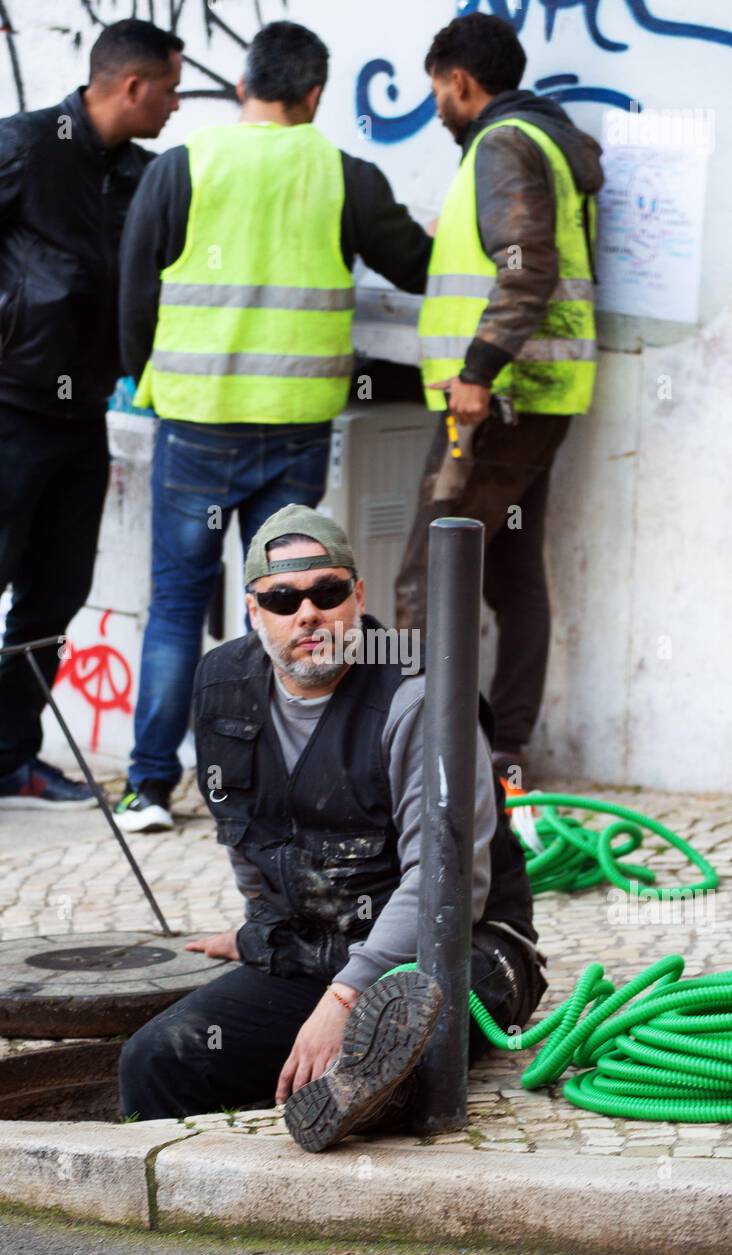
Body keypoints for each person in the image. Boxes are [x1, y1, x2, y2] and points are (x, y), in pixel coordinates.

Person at [118, 505, 547, 1151]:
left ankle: (371, 1088)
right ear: (254, 612)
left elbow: (449, 885)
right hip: (314, 951)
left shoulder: (419, 694)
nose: (308, 613)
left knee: (402, 1044)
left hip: (462, 946)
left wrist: (346, 996)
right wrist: (259, 932)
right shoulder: (221, 684)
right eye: (284, 599)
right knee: (160, 1058)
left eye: (328, 591)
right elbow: (244, 830)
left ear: (359, 596)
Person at [113, 19, 432, 834]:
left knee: (178, 607)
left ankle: (149, 787)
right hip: (294, 426)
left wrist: (146, 378)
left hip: (198, 421)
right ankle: (265, 780)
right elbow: (417, 264)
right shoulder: (345, 174)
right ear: (315, 94)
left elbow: (134, 290)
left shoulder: (184, 165)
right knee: (287, 606)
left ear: (247, 83)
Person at [395, 12, 603, 782]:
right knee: (512, 575)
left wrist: (477, 371)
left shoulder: (503, 143)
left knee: (430, 575)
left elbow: (525, 268)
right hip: (540, 395)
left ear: (459, 81)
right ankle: (504, 750)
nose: (439, 110)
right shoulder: (548, 139)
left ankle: (435, 761)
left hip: (500, 399)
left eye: (438, 94)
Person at [0, 18, 183, 810]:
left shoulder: (143, 176)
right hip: (8, 406)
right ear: (133, 86)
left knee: (56, 595)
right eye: (171, 89)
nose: (177, 104)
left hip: (84, 418)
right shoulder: (26, 146)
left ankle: (9, 757)